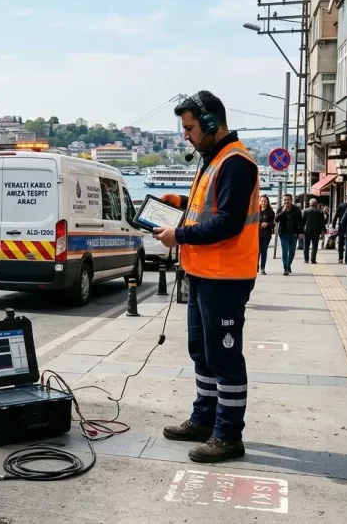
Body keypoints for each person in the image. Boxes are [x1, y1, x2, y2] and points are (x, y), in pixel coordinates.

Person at [153, 91, 259, 463]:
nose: (187, 135)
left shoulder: (236, 162)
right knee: (201, 352)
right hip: (202, 274)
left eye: (190, 128)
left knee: (225, 357)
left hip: (225, 278)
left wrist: (177, 235)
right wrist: (178, 204)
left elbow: (227, 223)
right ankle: (204, 420)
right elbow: (205, 208)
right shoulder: (213, 159)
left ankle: (229, 435)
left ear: (211, 123)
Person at [274, 194, 303, 275]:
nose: (286, 201)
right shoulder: (280, 209)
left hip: (294, 234)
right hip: (283, 234)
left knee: (292, 252)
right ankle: (285, 268)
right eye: (285, 200)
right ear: (283, 201)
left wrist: (301, 232)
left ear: (291, 200)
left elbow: (300, 221)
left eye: (288, 200)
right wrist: (282, 212)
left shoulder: (296, 209)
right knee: (285, 251)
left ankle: (288, 264)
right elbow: (276, 219)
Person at [301, 198, 325, 264]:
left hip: (307, 231)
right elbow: (322, 223)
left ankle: (306, 259)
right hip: (316, 231)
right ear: (316, 204)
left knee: (306, 246)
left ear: (310, 203)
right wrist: (323, 231)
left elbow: (302, 222)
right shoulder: (320, 212)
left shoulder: (305, 211)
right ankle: (313, 260)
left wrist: (301, 231)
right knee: (315, 246)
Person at [332, 195, 347, 263]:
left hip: (341, 227)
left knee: (341, 243)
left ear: (346, 199)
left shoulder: (341, 206)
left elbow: (336, 216)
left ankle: (340, 258)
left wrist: (333, 225)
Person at [257, 195, 275, 275]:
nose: (263, 203)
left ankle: (262, 268)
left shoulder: (270, 212)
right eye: (262, 201)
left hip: (266, 235)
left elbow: (273, 224)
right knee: (257, 252)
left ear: (267, 202)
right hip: (257, 234)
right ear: (260, 202)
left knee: (263, 251)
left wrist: (267, 224)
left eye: (265, 201)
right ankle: (255, 267)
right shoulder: (256, 211)